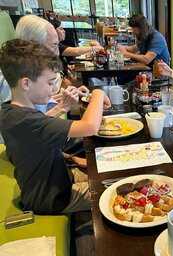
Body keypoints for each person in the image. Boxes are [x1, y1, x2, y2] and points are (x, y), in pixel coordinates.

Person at [0, 39, 111, 214]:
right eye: (50, 82)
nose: (53, 89)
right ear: (26, 83)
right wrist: (98, 92)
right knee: (115, 189)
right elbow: (90, 126)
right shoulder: (26, 120)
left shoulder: (10, 111)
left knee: (110, 172)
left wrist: (62, 107)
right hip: (53, 198)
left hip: (54, 181)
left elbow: (37, 127)